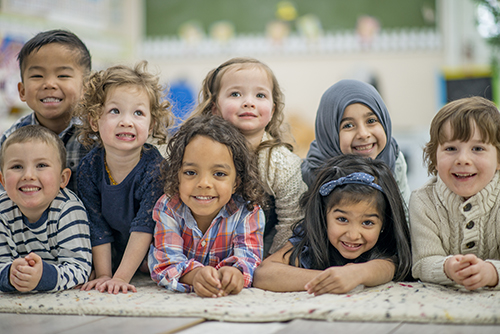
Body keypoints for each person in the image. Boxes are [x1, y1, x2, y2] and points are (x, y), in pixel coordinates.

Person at [189, 57, 307, 256]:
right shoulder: (199, 150)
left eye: (260, 95)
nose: (249, 102)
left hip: (264, 247)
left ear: (272, 109)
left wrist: (268, 260)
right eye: (235, 94)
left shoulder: (280, 163)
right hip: (205, 243)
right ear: (214, 108)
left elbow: (292, 220)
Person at [75, 61, 173, 294]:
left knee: (156, 266)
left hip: (153, 245)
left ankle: (137, 267)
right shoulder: (89, 167)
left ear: (151, 125)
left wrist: (120, 278)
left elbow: (144, 227)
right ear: (94, 121)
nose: (126, 121)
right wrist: (104, 275)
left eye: (138, 113)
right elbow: (96, 225)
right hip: (115, 247)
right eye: (114, 111)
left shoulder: (155, 168)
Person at [253, 154, 411, 294]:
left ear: (384, 224)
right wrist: (330, 279)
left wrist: (358, 274)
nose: (353, 235)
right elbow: (263, 274)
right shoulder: (311, 240)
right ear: (323, 215)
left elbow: (389, 267)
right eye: (342, 219)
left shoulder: (385, 248)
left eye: (368, 222)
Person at [149, 114, 265, 297]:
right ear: (177, 175)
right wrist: (195, 276)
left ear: (236, 182)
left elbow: (249, 259)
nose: (204, 183)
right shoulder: (168, 207)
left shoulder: (248, 211)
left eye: (219, 174)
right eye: (190, 172)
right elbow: (166, 264)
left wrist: (235, 273)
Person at [410, 96, 500, 290]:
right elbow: (421, 263)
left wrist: (491, 272)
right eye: (451, 148)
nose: (463, 159)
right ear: (434, 157)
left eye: (478, 148)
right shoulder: (423, 201)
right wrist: (448, 268)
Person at [0, 125, 91, 292]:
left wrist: (42, 277)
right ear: (3, 181)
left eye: (41, 165)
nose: (28, 175)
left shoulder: (68, 209)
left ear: (63, 179)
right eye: (17, 167)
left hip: (51, 273)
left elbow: (80, 269)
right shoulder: (2, 210)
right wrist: (11, 275)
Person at [0, 29, 92, 193]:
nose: (49, 84)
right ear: (22, 91)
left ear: (85, 88)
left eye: (63, 75)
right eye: (37, 76)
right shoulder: (11, 139)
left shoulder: (97, 135)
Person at [301, 79, 411, 206]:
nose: (364, 134)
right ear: (329, 133)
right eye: (348, 125)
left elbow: (404, 214)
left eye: (371, 121)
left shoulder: (393, 159)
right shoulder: (312, 175)